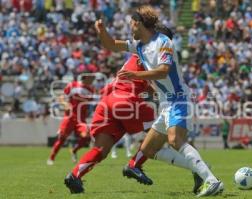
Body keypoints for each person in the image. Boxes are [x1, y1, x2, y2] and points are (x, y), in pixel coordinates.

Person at [93, 5, 223, 196]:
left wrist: (135, 75)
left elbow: (163, 71)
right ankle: (200, 169)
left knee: (174, 140)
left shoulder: (163, 42)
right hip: (166, 104)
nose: (130, 28)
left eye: (131, 24)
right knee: (148, 150)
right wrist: (101, 31)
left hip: (178, 99)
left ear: (138, 24)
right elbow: (111, 44)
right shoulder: (139, 46)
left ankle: (212, 181)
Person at [64, 54, 156, 193]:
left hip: (108, 101)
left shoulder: (133, 57)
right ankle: (134, 165)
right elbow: (154, 82)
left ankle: (75, 175)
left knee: (101, 149)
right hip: (126, 100)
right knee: (157, 135)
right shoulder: (151, 51)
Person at [47, 74, 95, 165]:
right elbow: (61, 97)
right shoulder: (72, 85)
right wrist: (65, 104)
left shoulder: (91, 90)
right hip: (69, 117)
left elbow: (89, 103)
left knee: (86, 136)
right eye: (91, 78)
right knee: (62, 139)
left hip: (81, 119)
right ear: (85, 78)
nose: (93, 80)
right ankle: (51, 158)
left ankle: (74, 150)